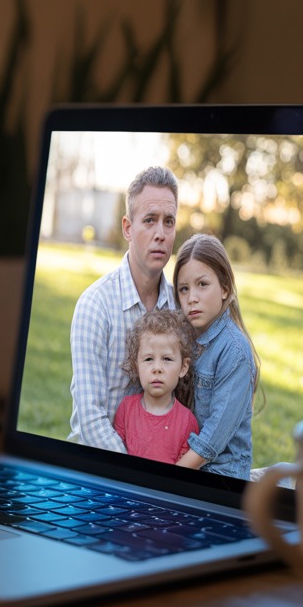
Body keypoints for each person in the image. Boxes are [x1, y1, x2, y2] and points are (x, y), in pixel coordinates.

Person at [69, 166, 179, 451]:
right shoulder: (95, 306)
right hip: (102, 466)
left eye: (169, 222)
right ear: (127, 228)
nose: (161, 234)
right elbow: (90, 420)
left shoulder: (180, 308)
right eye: (150, 220)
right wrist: (136, 472)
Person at [172, 233, 260, 479]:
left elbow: (211, 442)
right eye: (184, 289)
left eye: (202, 284)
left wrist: (167, 476)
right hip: (188, 461)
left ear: (225, 288)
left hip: (220, 474)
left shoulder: (234, 351)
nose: (192, 298)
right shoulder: (184, 340)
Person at [113, 309, 200, 464]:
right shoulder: (126, 410)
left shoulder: (187, 422)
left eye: (166, 359)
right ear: (136, 366)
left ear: (183, 367)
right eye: (148, 359)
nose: (157, 368)